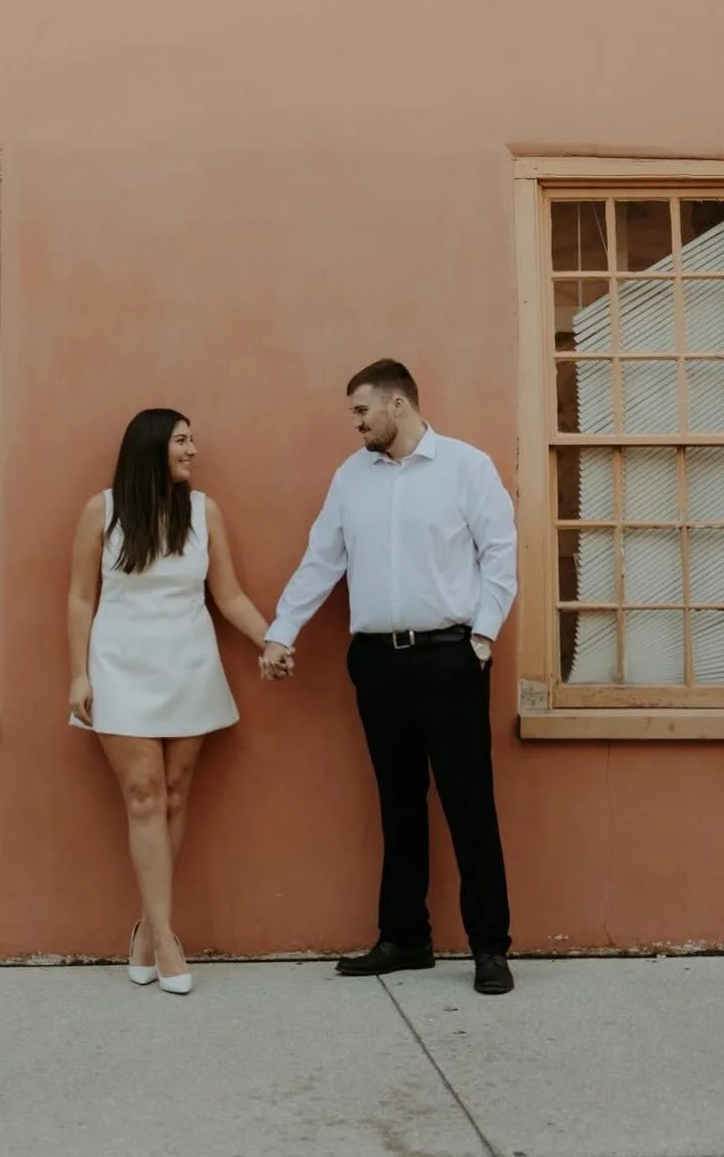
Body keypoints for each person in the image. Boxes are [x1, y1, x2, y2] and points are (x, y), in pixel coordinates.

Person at [261, 360, 518, 995]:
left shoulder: (466, 467)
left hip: (450, 658)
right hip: (377, 662)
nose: (355, 424)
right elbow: (321, 561)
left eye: (361, 411)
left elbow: (500, 554)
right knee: (398, 802)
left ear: (397, 404)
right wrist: (282, 631)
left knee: (468, 802)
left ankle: (490, 947)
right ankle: (405, 938)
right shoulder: (351, 478)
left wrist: (482, 637)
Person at [68, 407, 274, 995]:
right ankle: (165, 939)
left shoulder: (204, 511)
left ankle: (146, 931)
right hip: (120, 668)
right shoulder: (101, 510)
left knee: (176, 794)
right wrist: (78, 674)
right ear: (152, 446)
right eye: (182, 440)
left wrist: (271, 640)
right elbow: (80, 597)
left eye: (192, 440)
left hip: (189, 667)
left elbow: (228, 596)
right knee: (143, 794)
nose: (192, 450)